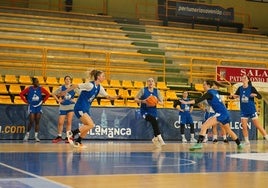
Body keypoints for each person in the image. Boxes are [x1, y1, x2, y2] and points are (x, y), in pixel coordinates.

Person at [61, 70, 120, 148]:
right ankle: (72, 133)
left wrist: (116, 97)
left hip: (86, 108)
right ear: (98, 77)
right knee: (91, 125)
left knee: (88, 126)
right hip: (80, 107)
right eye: (103, 76)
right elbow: (75, 85)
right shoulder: (90, 85)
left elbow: (108, 97)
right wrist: (65, 91)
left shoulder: (99, 87)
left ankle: (78, 141)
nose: (104, 78)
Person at [179, 80, 244, 151]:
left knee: (204, 126)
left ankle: (199, 144)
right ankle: (239, 144)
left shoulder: (209, 93)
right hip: (225, 113)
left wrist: (186, 102)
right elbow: (223, 93)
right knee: (228, 130)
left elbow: (198, 100)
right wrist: (231, 94)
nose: (203, 86)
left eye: (204, 84)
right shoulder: (214, 91)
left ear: (208, 86)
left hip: (220, 113)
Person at [230, 74, 268, 145]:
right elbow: (235, 96)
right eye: (242, 78)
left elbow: (259, 97)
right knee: (244, 126)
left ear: (248, 80)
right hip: (244, 111)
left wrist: (255, 95)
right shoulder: (240, 88)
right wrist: (232, 97)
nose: (243, 79)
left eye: (245, 78)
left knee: (258, 125)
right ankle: (247, 141)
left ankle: (266, 137)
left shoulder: (251, 88)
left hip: (251, 110)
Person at [134, 78, 166, 148]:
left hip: (153, 111)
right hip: (144, 111)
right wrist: (143, 101)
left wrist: (156, 101)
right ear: (147, 83)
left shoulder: (157, 91)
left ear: (154, 83)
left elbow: (162, 103)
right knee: (154, 121)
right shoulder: (143, 90)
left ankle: (155, 138)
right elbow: (135, 99)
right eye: (149, 81)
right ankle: (160, 139)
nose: (150, 82)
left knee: (154, 123)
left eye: (152, 81)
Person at [20, 77, 50, 142]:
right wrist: (25, 101)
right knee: (31, 120)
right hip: (32, 106)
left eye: (38, 81)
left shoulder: (41, 88)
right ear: (33, 83)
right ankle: (27, 134)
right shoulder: (29, 89)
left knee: (37, 121)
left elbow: (48, 94)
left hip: (38, 106)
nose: (38, 83)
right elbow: (21, 94)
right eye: (36, 82)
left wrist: (43, 101)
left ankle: (36, 136)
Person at [51, 75, 80, 143]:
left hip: (71, 106)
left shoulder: (73, 87)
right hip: (63, 106)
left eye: (69, 79)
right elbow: (53, 93)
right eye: (66, 79)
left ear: (70, 80)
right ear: (64, 80)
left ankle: (68, 137)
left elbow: (81, 94)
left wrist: (75, 100)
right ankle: (59, 136)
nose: (67, 80)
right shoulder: (61, 87)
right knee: (60, 122)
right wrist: (58, 100)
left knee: (69, 122)